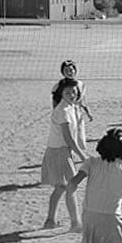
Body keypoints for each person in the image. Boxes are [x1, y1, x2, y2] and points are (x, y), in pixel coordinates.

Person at [41, 78, 87, 231]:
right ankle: (75, 223)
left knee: (61, 187)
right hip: (58, 151)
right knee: (70, 186)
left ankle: (50, 221)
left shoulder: (71, 108)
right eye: (68, 92)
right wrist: (82, 156)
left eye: (74, 91)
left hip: (61, 150)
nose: (72, 94)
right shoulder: (63, 111)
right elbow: (68, 138)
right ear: (61, 93)